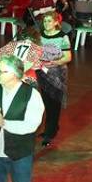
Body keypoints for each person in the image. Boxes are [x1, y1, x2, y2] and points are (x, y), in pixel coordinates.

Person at [36, 11, 71, 148]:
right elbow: (36, 52)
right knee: (46, 101)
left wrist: (54, 62)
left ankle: (49, 133)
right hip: (42, 72)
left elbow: (68, 57)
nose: (46, 24)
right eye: (45, 21)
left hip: (57, 72)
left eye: (49, 21)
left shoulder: (63, 37)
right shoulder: (40, 36)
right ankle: (52, 127)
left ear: (56, 22)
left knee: (54, 103)